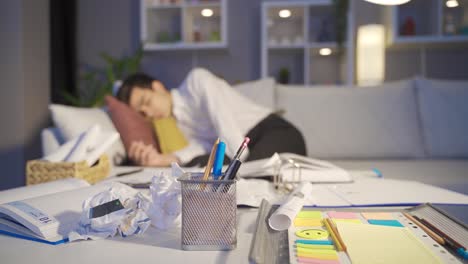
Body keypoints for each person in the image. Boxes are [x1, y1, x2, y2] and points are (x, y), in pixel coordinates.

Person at [116, 68, 306, 167]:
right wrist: (162, 160)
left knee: (251, 174)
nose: (147, 113)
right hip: (246, 148)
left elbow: (226, 126)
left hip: (274, 132)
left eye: (146, 101)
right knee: (202, 163)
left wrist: (238, 169)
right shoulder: (179, 124)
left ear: (157, 87)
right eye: (141, 113)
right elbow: (201, 148)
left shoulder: (195, 82)